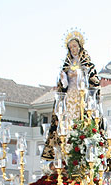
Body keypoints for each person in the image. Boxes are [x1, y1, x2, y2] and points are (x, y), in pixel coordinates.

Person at [41, 32, 100, 161]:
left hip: (82, 98)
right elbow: (63, 86)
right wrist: (64, 79)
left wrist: (79, 74)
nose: (73, 49)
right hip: (69, 97)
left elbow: (94, 82)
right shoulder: (67, 64)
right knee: (66, 122)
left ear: (80, 46)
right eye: (71, 47)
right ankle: (65, 148)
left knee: (80, 121)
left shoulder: (87, 64)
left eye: (75, 46)